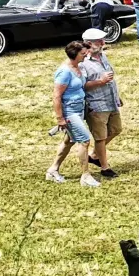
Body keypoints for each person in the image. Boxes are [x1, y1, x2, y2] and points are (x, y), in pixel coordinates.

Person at [48, 41, 99, 187]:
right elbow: (56, 96)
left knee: (69, 141)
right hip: (69, 112)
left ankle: (53, 170)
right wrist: (60, 119)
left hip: (78, 109)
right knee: (84, 140)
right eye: (83, 54)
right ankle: (85, 176)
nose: (86, 55)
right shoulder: (64, 72)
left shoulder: (78, 67)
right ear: (74, 55)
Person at [78, 29, 122, 179]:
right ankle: (104, 167)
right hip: (96, 104)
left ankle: (95, 155)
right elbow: (82, 85)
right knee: (100, 137)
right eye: (99, 41)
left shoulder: (103, 56)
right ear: (89, 44)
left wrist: (117, 96)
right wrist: (100, 81)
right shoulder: (82, 62)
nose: (103, 43)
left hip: (111, 101)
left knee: (116, 129)